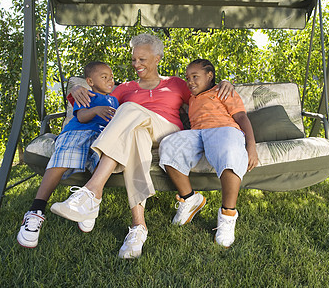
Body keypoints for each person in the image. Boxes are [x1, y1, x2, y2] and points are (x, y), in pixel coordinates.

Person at [49, 33, 234, 259]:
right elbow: (96, 96)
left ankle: (91, 192)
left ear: (157, 58)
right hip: (141, 133)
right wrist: (75, 90)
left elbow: (204, 91)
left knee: (128, 110)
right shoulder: (124, 88)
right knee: (136, 136)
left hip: (167, 131)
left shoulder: (175, 83)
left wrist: (225, 82)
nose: (136, 64)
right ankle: (138, 228)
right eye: (134, 59)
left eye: (142, 60)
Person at [17, 61, 119, 248]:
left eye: (111, 77)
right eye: (104, 77)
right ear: (90, 81)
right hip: (78, 131)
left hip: (101, 136)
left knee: (101, 161)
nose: (110, 80)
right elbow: (80, 117)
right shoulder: (88, 94)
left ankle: (90, 205)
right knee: (66, 153)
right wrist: (95, 110)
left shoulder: (115, 99)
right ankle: (36, 210)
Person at [159, 59, 258, 247]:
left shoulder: (223, 91)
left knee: (229, 151)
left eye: (195, 77)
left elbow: (241, 117)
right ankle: (189, 199)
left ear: (209, 75)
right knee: (169, 145)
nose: (190, 82)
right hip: (197, 134)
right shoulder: (191, 96)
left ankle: (228, 215)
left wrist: (251, 145)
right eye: (187, 78)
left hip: (224, 129)